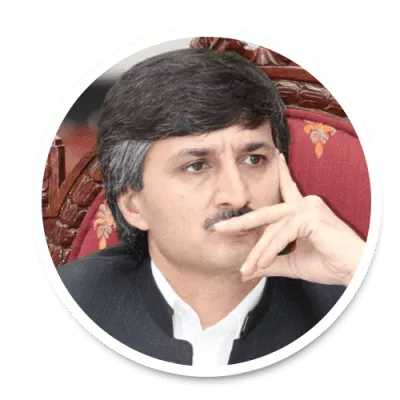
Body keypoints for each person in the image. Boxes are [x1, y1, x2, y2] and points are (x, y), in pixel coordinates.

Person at [57, 48, 365, 367]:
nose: (237, 195)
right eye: (196, 166)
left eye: (253, 160)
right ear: (134, 205)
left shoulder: (345, 292)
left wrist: (357, 272)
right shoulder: (70, 304)